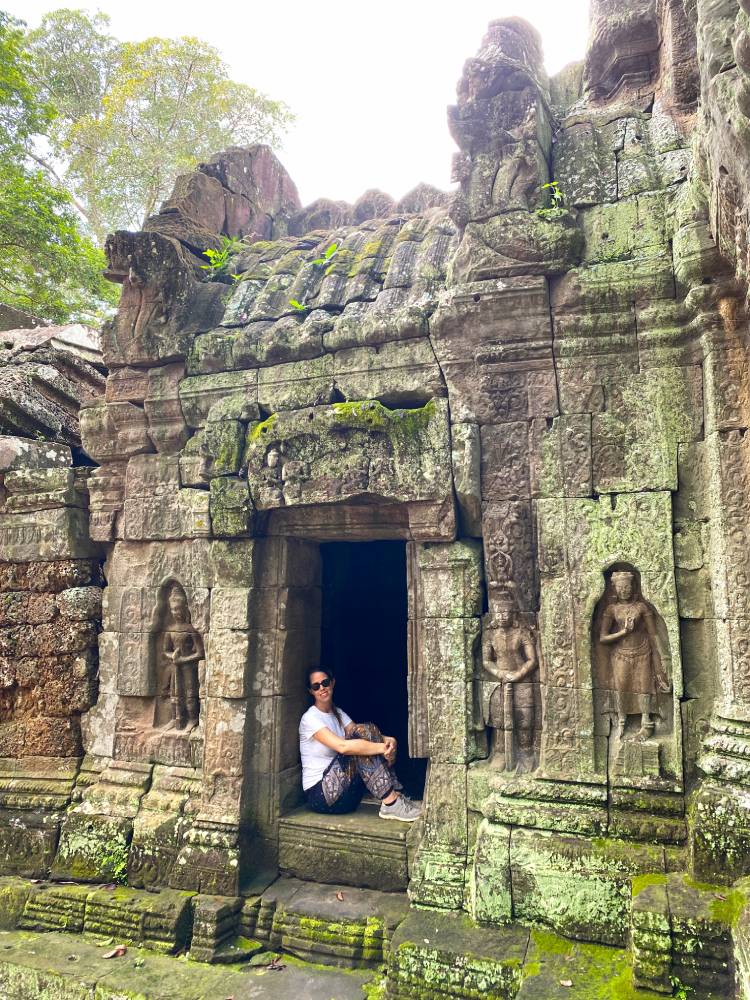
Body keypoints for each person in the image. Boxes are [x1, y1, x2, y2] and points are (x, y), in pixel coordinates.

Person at [298, 667, 421, 822]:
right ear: (311, 691)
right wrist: (381, 748)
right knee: (358, 745)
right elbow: (342, 747)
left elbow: (364, 733)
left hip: (347, 797)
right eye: (316, 686)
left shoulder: (338, 713)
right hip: (321, 796)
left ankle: (395, 794)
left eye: (325, 682)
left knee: (366, 729)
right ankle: (391, 802)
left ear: (332, 683)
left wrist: (389, 740)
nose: (322, 688)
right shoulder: (310, 718)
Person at [599, 570, 670, 741]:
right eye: (621, 587)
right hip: (621, 654)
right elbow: (603, 637)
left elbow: (654, 634)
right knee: (621, 686)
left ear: (633, 586)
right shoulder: (612, 609)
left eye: (628, 586)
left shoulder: (641, 607)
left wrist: (664, 656)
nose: (625, 590)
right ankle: (621, 721)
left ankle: (646, 722)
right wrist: (623, 632)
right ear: (615, 589)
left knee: (644, 686)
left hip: (643, 652)